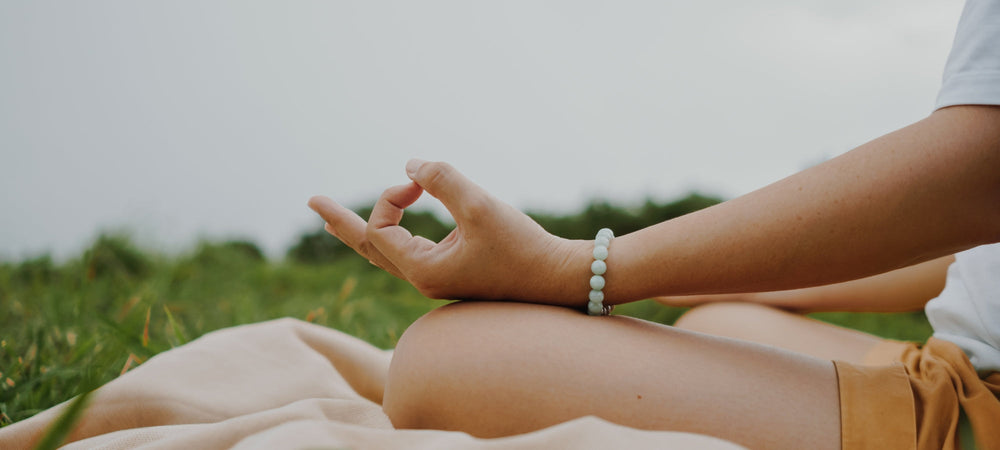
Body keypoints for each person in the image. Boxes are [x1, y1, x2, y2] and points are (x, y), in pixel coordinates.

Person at [308, 0, 1000, 447]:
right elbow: (973, 234)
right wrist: (757, 283)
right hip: (963, 361)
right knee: (718, 323)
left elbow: (979, 177)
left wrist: (576, 270)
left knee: (445, 361)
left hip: (979, 411)